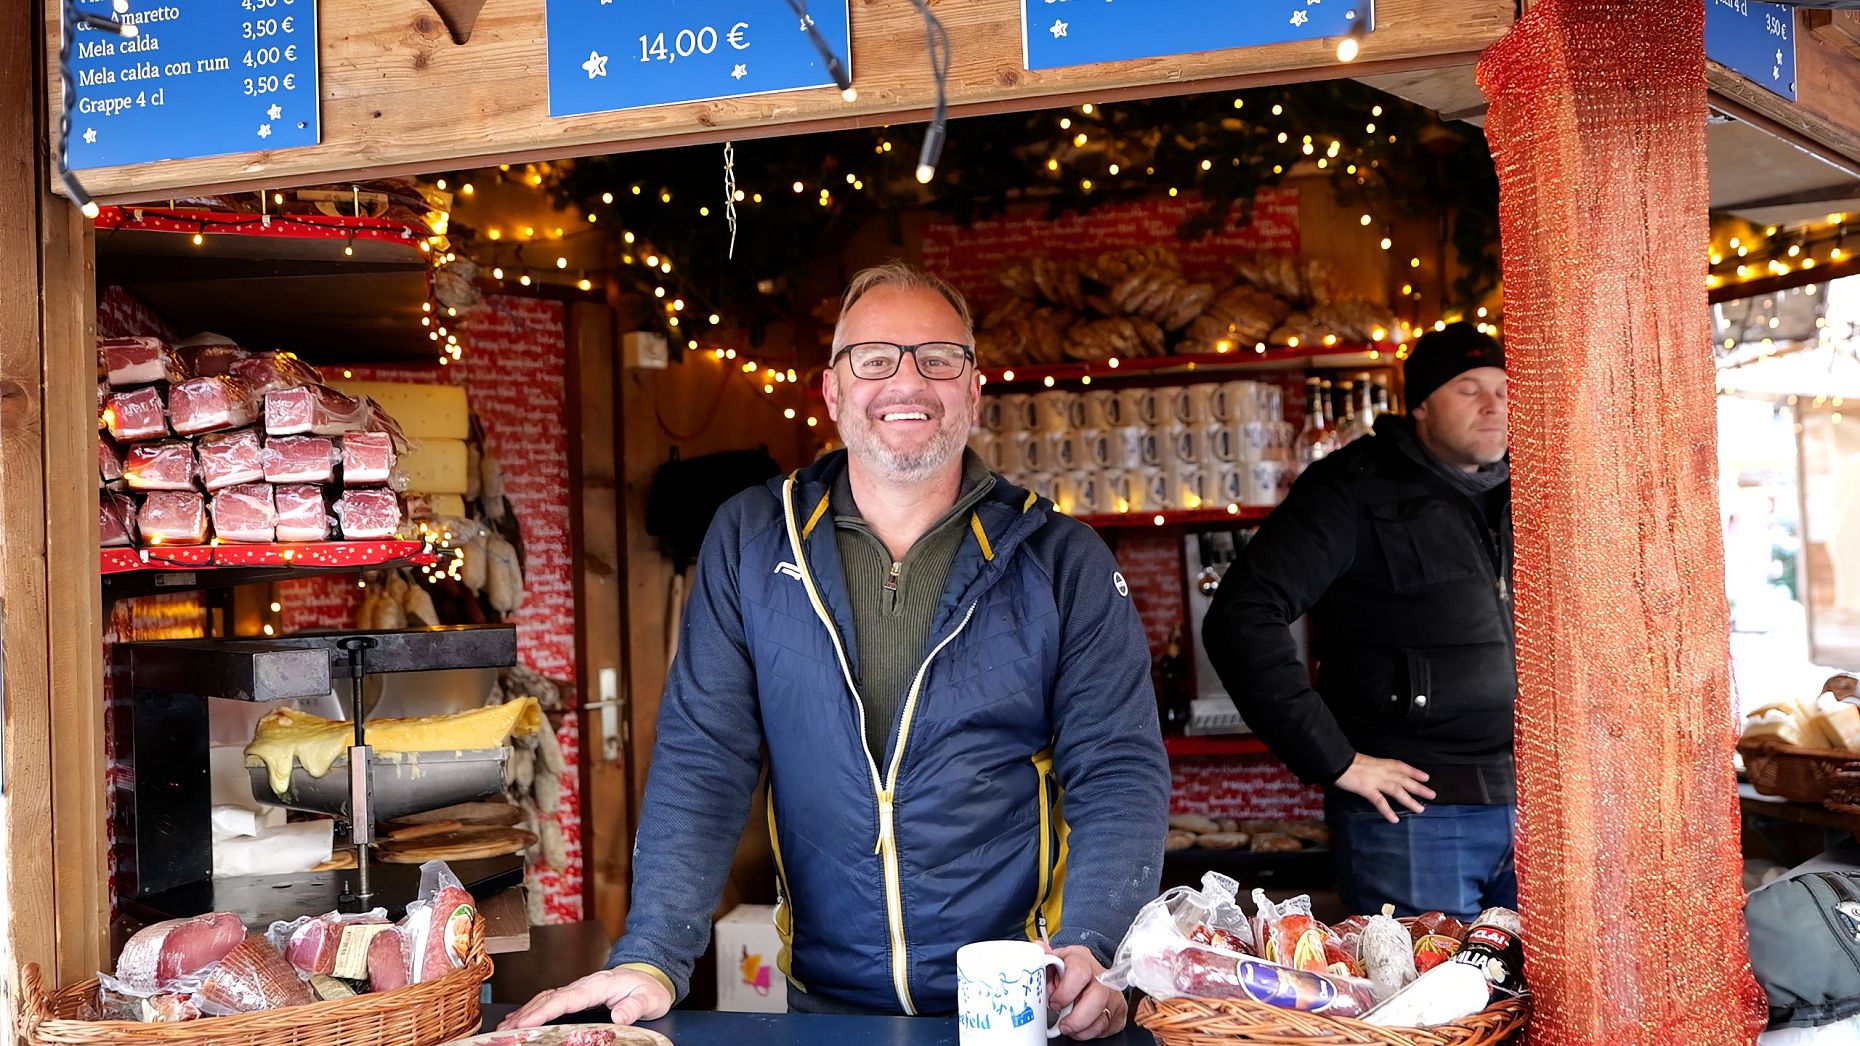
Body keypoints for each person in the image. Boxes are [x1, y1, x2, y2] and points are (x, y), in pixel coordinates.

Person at [504, 262, 1169, 1037]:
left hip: (1024, 1006)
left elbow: (1117, 768)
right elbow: (704, 757)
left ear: (974, 390)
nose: (907, 382)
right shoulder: (753, 540)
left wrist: (1094, 945)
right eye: (875, 358)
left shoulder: (1062, 561)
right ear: (831, 391)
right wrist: (653, 955)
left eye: (938, 358)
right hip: (825, 1008)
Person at [1201, 322, 1514, 921]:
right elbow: (1241, 615)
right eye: (1468, 389)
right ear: (1420, 404)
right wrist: (1335, 758)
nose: (1492, 406)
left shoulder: (1536, 490)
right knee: (1423, 1010)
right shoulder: (1352, 488)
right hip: (1416, 819)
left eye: (1502, 389)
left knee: (1544, 1006)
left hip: (1542, 805)